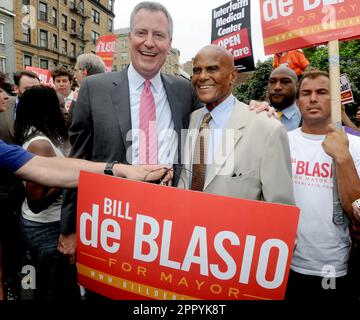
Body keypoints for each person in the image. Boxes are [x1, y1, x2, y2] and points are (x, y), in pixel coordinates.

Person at [60, 1, 201, 258]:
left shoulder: (184, 90)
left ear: (169, 43)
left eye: (158, 35)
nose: (149, 43)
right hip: (110, 223)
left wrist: (257, 108)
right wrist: (69, 227)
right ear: (129, 38)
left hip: (169, 222)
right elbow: (77, 162)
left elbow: (216, 119)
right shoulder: (94, 88)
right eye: (141, 33)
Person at [179, 44, 295, 207]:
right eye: (197, 70)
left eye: (212, 69)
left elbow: (280, 210)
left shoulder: (267, 129)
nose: (202, 77)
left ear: (233, 76)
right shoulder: (187, 121)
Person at [285, 70, 360, 300]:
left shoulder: (355, 146)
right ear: (298, 102)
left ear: (336, 100)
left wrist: (343, 158)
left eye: (322, 92)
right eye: (306, 93)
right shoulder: (281, 141)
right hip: (285, 265)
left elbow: (356, 211)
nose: (313, 98)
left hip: (333, 268)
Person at [268, 66, 301, 131]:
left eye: (285, 82)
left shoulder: (308, 119)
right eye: (272, 82)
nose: (277, 87)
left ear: (297, 86)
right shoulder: (260, 114)